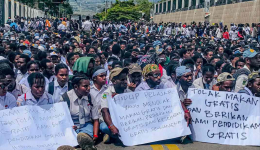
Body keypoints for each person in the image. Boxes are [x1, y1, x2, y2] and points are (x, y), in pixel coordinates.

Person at [60, 74, 99, 150]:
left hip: (86, 125)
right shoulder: (65, 98)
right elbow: (61, 120)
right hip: (71, 126)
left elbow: (96, 119)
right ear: (76, 87)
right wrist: (68, 126)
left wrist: (95, 135)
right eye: (85, 86)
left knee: (84, 136)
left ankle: (86, 143)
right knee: (70, 139)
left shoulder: (90, 97)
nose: (88, 88)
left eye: (89, 86)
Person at [101, 67, 131, 142]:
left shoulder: (129, 92)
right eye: (122, 80)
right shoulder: (106, 94)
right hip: (111, 120)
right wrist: (111, 126)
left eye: (125, 79)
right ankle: (111, 133)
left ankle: (113, 136)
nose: (125, 82)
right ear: (114, 81)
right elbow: (105, 111)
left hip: (124, 120)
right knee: (105, 127)